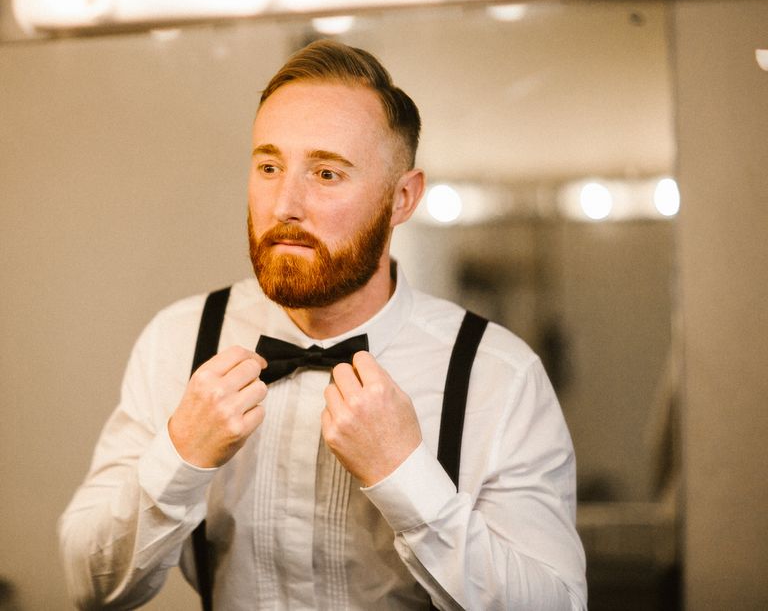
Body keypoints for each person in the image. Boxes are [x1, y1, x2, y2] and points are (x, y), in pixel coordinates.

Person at [59, 39, 587, 610]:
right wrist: (179, 456)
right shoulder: (178, 339)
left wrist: (406, 477)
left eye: (327, 174)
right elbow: (91, 589)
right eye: (268, 166)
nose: (285, 203)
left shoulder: (497, 374)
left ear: (402, 198)